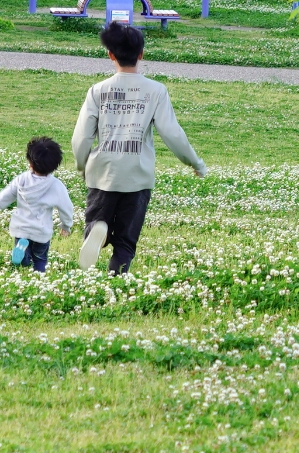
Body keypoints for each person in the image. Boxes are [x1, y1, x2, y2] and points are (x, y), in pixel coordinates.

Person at [71, 21, 208, 273]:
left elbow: (81, 137)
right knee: (126, 241)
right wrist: (195, 163)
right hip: (138, 175)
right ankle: (117, 280)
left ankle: (97, 230)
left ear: (110, 54)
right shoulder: (156, 90)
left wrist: (82, 165)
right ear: (141, 54)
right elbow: (172, 134)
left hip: (103, 173)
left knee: (95, 221)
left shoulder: (98, 91)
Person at [0, 136, 76, 272]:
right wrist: (66, 225)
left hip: (21, 228)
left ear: (30, 163)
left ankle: (23, 256)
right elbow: (66, 208)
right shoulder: (56, 186)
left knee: (24, 254)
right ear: (55, 166)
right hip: (41, 231)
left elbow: (5, 195)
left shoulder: (22, 179)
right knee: (40, 258)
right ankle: (39, 273)